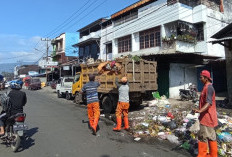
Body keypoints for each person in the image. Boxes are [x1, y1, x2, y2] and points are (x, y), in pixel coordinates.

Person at [193, 70, 218, 157]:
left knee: (202, 137)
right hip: (208, 116)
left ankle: (202, 155)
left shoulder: (209, 87)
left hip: (207, 117)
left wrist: (200, 110)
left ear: (206, 78)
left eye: (201, 77)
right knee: (211, 136)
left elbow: (208, 102)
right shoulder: (206, 87)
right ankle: (212, 155)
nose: (200, 79)